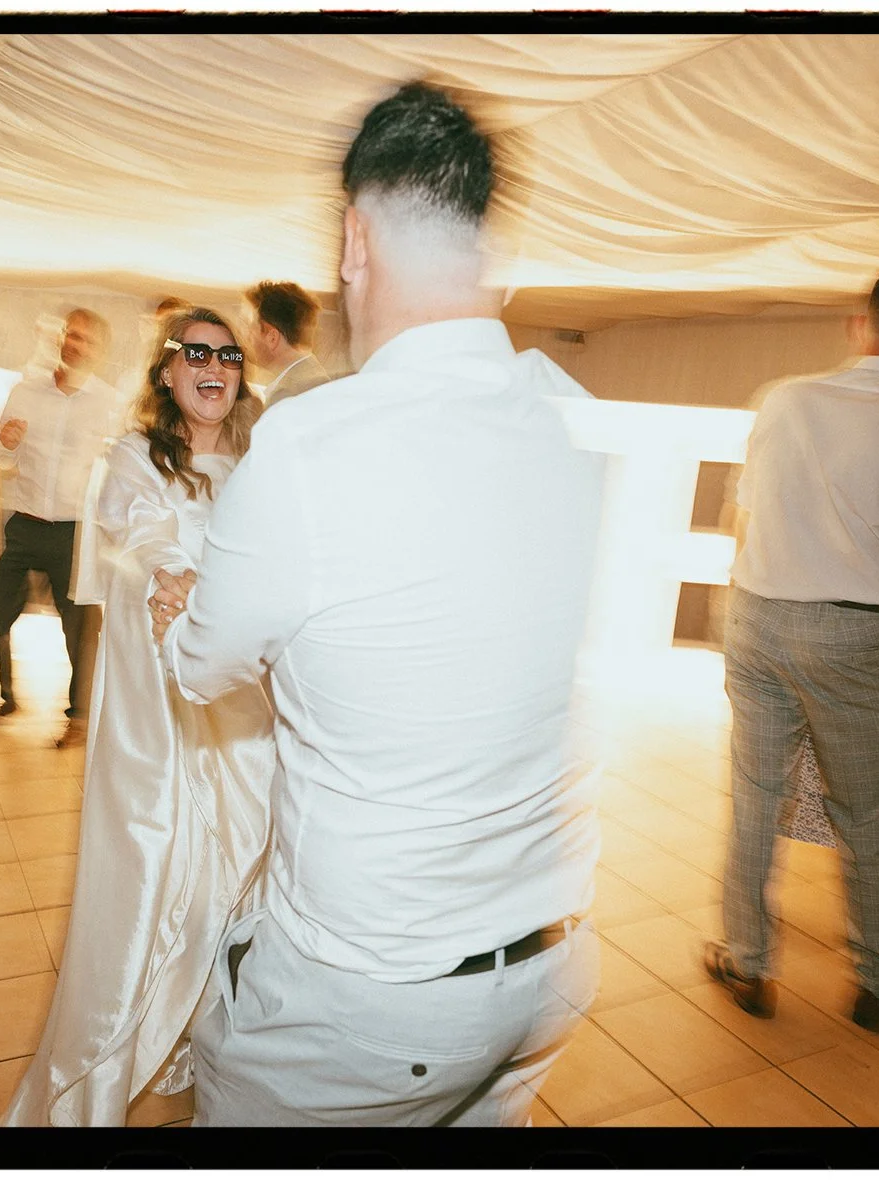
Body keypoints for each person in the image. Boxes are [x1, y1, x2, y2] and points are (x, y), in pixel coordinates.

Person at [148, 82, 607, 1127]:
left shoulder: (312, 446)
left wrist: (181, 605)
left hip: (368, 999)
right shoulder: (570, 418)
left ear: (354, 240)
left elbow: (201, 667)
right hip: (550, 963)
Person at [0, 307, 272, 1126]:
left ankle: (214, 1029)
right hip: (161, 698)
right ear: (166, 371)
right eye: (195, 352)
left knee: (249, 855)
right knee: (164, 856)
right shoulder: (132, 454)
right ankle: (124, 1036)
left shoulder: (263, 462)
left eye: (227, 353)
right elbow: (138, 524)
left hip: (250, 698)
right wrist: (170, 570)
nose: (212, 363)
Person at [704, 262, 879, 1032]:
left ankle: (746, 959)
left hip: (757, 619)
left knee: (754, 798)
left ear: (861, 322)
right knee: (863, 814)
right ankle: (874, 977)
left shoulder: (786, 399)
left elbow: (751, 503)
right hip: (856, 633)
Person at [0, 308, 123, 747]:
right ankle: (7, 699)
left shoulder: (110, 404)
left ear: (100, 351)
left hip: (74, 531)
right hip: (24, 522)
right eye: (71, 335)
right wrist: (4, 444)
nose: (74, 344)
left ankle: (79, 717)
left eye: (86, 340)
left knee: (78, 628)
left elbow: (118, 473)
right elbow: (2, 459)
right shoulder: (25, 392)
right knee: (0, 615)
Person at [243, 280, 330, 408]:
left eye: (249, 327)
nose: (246, 335)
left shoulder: (286, 396)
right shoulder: (313, 379)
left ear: (272, 338)